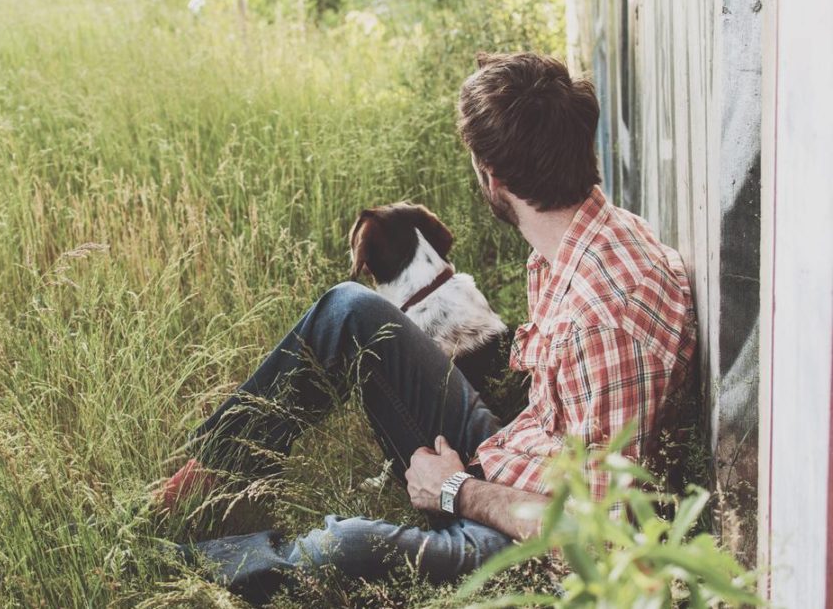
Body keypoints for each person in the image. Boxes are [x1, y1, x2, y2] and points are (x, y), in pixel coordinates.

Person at [156, 52, 697, 603]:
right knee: (350, 309)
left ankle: (167, 566)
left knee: (340, 549)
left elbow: (598, 538)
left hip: (534, 547)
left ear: (493, 177)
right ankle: (204, 479)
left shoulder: (601, 317)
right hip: (524, 465)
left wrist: (457, 489)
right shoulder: (582, 239)